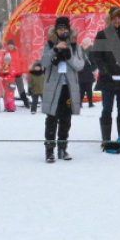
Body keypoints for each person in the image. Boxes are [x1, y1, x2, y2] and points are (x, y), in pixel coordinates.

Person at [90, 6, 120, 146]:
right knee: (107, 108)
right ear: (110, 20)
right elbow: (98, 57)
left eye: (119, 18)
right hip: (107, 80)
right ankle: (106, 139)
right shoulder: (102, 35)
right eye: (114, 18)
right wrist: (106, 72)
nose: (117, 21)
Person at [41, 16, 85, 163]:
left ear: (69, 29)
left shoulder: (74, 45)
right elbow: (44, 62)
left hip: (69, 88)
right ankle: (49, 150)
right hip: (53, 87)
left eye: (65, 28)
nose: (62, 31)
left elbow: (80, 65)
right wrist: (55, 51)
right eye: (60, 28)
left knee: (66, 119)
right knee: (52, 118)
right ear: (56, 30)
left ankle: (62, 148)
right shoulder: (49, 44)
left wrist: (69, 56)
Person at [4, 39, 30, 108]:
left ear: (13, 45)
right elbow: (3, 63)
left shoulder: (18, 52)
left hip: (18, 73)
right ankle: (10, 104)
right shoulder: (5, 53)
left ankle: (26, 102)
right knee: (10, 89)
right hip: (10, 75)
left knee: (21, 89)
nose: (10, 46)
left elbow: (23, 62)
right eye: (9, 45)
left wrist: (24, 72)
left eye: (11, 45)